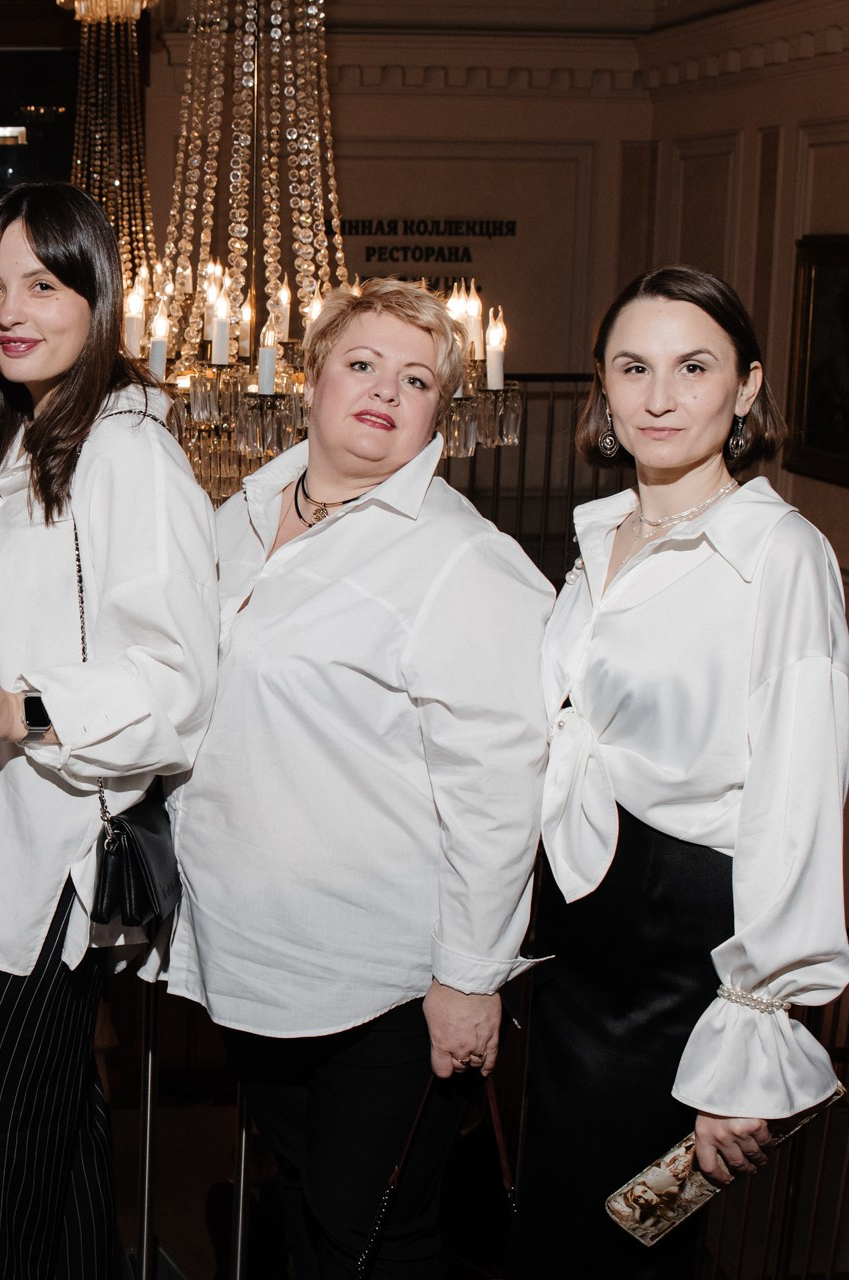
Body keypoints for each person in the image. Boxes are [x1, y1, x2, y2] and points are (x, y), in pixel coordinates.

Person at [0, 182, 219, 1278]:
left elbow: (175, 682)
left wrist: (26, 708)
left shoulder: (127, 450)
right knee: (47, 1181)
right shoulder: (38, 437)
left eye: (43, 284)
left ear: (95, 296)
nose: (10, 310)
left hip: (24, 885)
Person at [167, 277, 554, 1279]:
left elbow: (499, 791)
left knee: (370, 1232)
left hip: (386, 979)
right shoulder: (236, 516)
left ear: (439, 413)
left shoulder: (461, 560)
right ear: (311, 379)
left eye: (416, 379)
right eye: (363, 363)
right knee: (309, 1207)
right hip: (253, 958)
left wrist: (469, 978)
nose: (386, 389)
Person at [507, 265, 849, 1278]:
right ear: (604, 388)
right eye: (634, 367)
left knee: (623, 1244)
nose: (659, 397)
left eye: (693, 367)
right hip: (577, 937)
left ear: (747, 388)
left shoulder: (780, 554)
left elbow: (797, 796)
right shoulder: (601, 533)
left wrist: (751, 1038)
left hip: (681, 949)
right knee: (556, 1235)